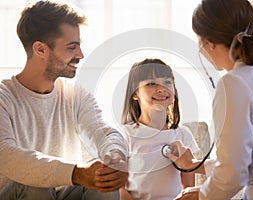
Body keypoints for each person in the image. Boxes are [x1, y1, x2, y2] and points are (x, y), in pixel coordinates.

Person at [166, 0, 253, 199]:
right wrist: (196, 166)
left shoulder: (234, 84)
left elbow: (234, 174)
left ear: (209, 43)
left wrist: (200, 196)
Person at [0, 1, 128, 199]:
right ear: (41, 49)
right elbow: (6, 155)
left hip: (62, 193)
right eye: (72, 47)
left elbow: (103, 132)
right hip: (17, 193)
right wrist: (77, 173)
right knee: (36, 185)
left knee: (104, 184)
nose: (80, 55)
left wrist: (115, 158)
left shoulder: (75, 95)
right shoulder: (4, 97)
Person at [119, 58, 199, 200]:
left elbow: (188, 188)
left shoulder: (183, 135)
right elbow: (119, 188)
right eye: (151, 83)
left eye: (167, 82)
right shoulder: (125, 135)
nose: (161, 88)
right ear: (135, 93)